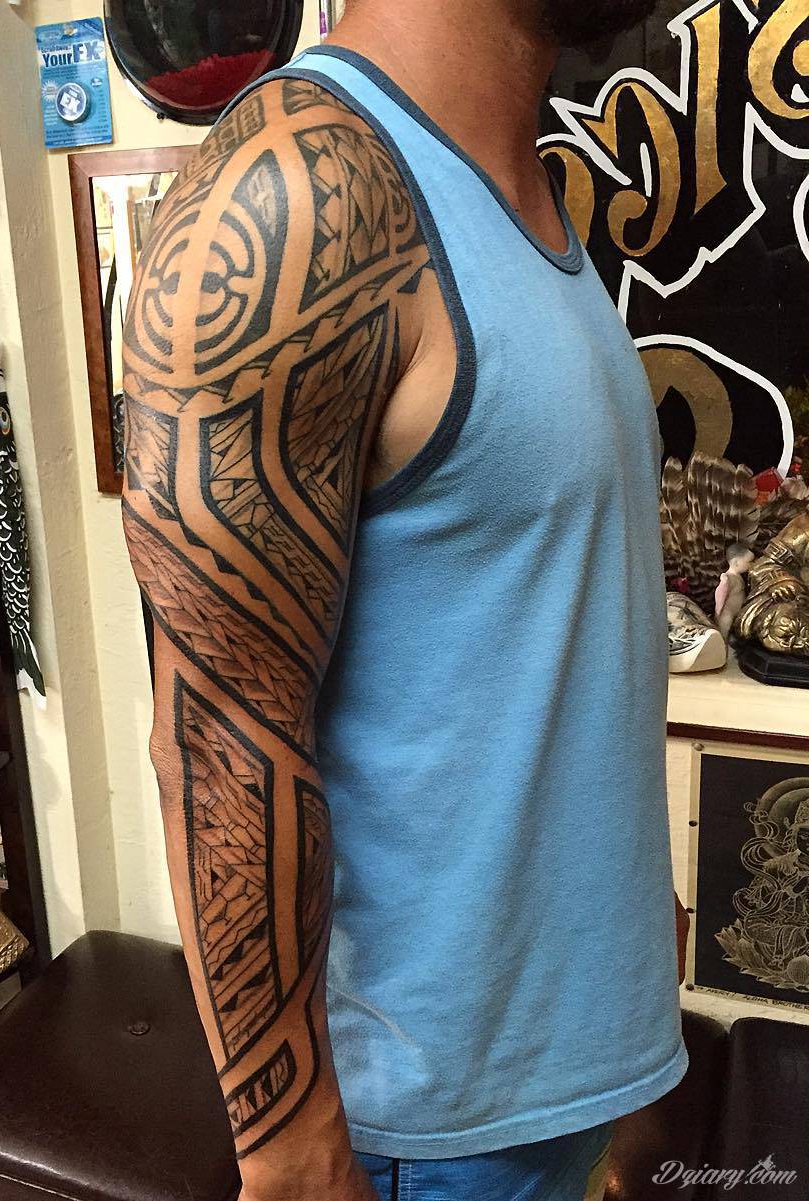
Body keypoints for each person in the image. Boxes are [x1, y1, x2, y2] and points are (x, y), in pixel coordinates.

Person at [121, 1, 690, 1198]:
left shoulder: (521, 194)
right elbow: (219, 736)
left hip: (567, 1083)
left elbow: (537, 628)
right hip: (429, 1140)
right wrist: (291, 1150)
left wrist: (635, 943)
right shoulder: (294, 193)